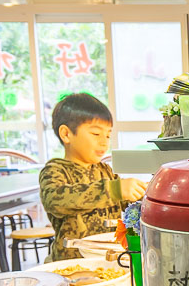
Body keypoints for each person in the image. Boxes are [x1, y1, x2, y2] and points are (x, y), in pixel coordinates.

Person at [39, 93, 147, 262]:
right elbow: (55, 200)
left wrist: (143, 193)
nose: (104, 142)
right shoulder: (55, 170)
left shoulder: (105, 170)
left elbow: (129, 204)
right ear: (66, 134)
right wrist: (115, 190)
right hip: (71, 263)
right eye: (96, 134)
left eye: (108, 135)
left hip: (108, 260)